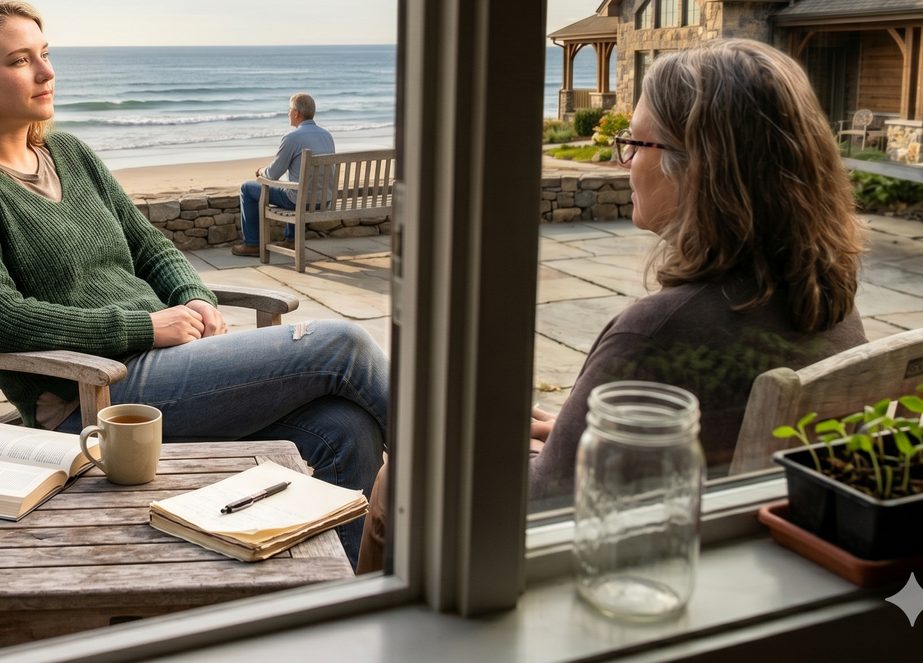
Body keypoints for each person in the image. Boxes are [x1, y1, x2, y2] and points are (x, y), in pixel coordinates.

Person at [355, 39, 868, 571]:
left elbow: (543, 507)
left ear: (694, 166)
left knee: (404, 476)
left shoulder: (659, 332)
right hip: (744, 559)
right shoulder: (830, 302)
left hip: (614, 571)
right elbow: (720, 427)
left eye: (634, 143)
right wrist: (577, 430)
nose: (625, 162)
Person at [0, 0, 387, 563]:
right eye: (20, 61)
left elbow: (150, 245)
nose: (46, 73)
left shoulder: (69, 153)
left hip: (159, 368)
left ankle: (354, 590)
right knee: (342, 345)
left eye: (45, 55)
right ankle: (472, 448)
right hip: (91, 397)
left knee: (346, 427)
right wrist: (144, 326)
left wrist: (194, 296)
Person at [231, 93, 335, 257]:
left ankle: (252, 244)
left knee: (247, 188)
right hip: (324, 200)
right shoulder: (327, 135)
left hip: (300, 201)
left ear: (296, 113)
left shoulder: (292, 137)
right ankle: (291, 240)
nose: (287, 113)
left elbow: (272, 174)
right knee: (296, 186)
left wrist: (261, 172)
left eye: (289, 109)